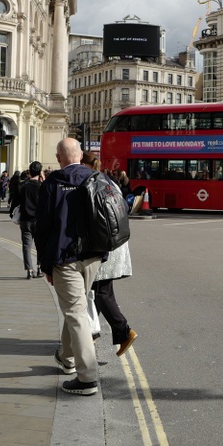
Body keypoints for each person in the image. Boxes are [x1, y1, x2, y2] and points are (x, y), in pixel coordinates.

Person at [35, 137, 104, 396]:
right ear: (81, 155)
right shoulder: (97, 177)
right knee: (76, 307)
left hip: (65, 258)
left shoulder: (53, 183)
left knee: (75, 313)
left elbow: (42, 227)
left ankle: (87, 378)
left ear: (60, 157)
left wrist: (45, 265)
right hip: (94, 255)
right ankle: (67, 357)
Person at [83, 152, 138, 357]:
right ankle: (90, 334)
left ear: (84, 165)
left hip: (105, 246)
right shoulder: (108, 181)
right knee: (99, 292)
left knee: (100, 292)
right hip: (117, 243)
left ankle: (123, 331)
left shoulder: (91, 184)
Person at [14, 161, 44, 279]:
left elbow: (16, 202)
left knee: (26, 246)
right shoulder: (42, 187)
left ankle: (29, 270)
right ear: (40, 172)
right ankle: (40, 268)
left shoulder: (23, 186)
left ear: (29, 172)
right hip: (39, 220)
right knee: (40, 245)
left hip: (25, 219)